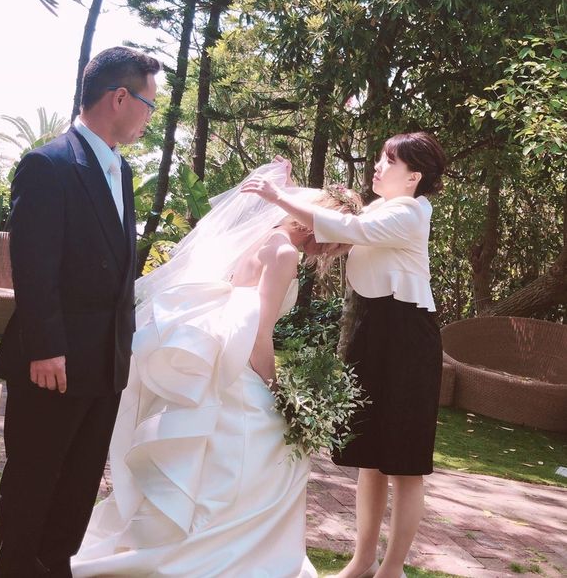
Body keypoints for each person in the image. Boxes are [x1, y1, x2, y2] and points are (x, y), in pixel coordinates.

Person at [70, 160, 362, 577]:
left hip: (222, 365)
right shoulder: (283, 254)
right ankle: (227, 560)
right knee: (282, 457)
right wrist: (280, 394)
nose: (330, 253)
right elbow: (258, 335)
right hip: (239, 371)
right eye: (336, 244)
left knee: (242, 464)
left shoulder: (264, 237)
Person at [242, 133, 446, 578]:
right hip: (372, 331)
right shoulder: (379, 208)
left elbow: (349, 230)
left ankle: (392, 569)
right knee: (368, 457)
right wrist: (288, 188)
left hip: (408, 339)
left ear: (413, 177)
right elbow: (334, 220)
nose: (377, 167)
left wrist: (278, 196)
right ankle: (362, 561)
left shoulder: (411, 212)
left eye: (388, 162)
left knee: (405, 465)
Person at [0, 46, 161, 577]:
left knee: (75, 494)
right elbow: (34, 266)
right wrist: (46, 348)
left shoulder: (121, 172)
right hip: (53, 366)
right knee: (33, 491)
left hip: (103, 366)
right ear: (119, 98)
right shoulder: (48, 164)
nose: (151, 116)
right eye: (149, 104)